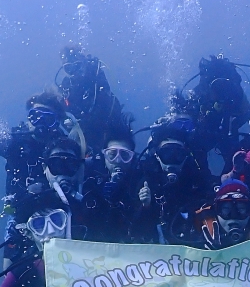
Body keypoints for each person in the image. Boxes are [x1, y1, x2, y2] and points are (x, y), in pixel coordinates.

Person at [82, 115, 158, 243]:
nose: (118, 161)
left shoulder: (140, 181)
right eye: (112, 154)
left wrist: (146, 206)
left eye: (124, 155)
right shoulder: (90, 177)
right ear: (103, 155)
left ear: (132, 158)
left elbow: (144, 231)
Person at [139, 120, 216, 245]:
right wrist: (145, 207)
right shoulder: (145, 180)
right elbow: (137, 231)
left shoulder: (197, 181)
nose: (172, 160)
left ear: (186, 156)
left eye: (178, 154)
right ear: (157, 156)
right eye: (166, 154)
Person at [56, 45, 126, 154]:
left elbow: (108, 107)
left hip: (106, 131)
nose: (73, 72)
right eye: (68, 68)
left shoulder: (95, 79)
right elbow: (61, 111)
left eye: (77, 66)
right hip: (82, 136)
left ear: (83, 64)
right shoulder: (66, 85)